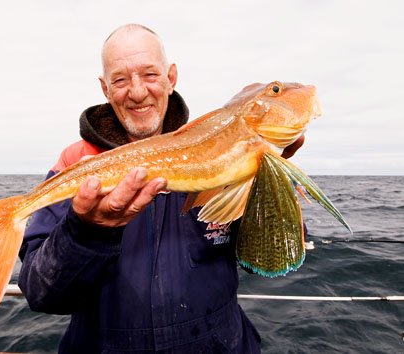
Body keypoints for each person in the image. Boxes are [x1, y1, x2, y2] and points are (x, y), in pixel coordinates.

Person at [18, 24, 304, 354]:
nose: (137, 92)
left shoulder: (227, 153)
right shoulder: (75, 162)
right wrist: (86, 232)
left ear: (171, 78)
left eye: (150, 74)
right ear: (105, 89)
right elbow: (41, 293)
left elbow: (269, 259)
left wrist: (266, 182)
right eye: (121, 79)